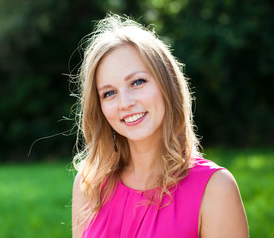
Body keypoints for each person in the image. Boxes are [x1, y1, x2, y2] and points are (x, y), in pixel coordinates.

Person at [71, 14, 248, 238]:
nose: (125, 103)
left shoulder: (215, 188)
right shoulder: (89, 187)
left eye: (137, 82)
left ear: (167, 84)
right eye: (109, 93)